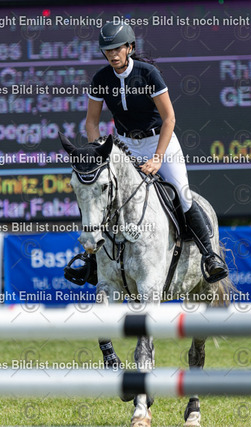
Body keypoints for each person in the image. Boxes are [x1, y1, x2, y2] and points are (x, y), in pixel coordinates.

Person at [64, 21, 228, 285]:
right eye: (108, 50)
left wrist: (158, 158)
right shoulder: (101, 79)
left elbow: (169, 118)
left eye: (118, 48)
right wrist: (98, 155)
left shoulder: (148, 74)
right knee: (103, 197)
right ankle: (91, 261)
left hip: (159, 141)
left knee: (182, 194)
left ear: (130, 47)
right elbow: (91, 123)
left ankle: (210, 255)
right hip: (124, 145)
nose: (113, 54)